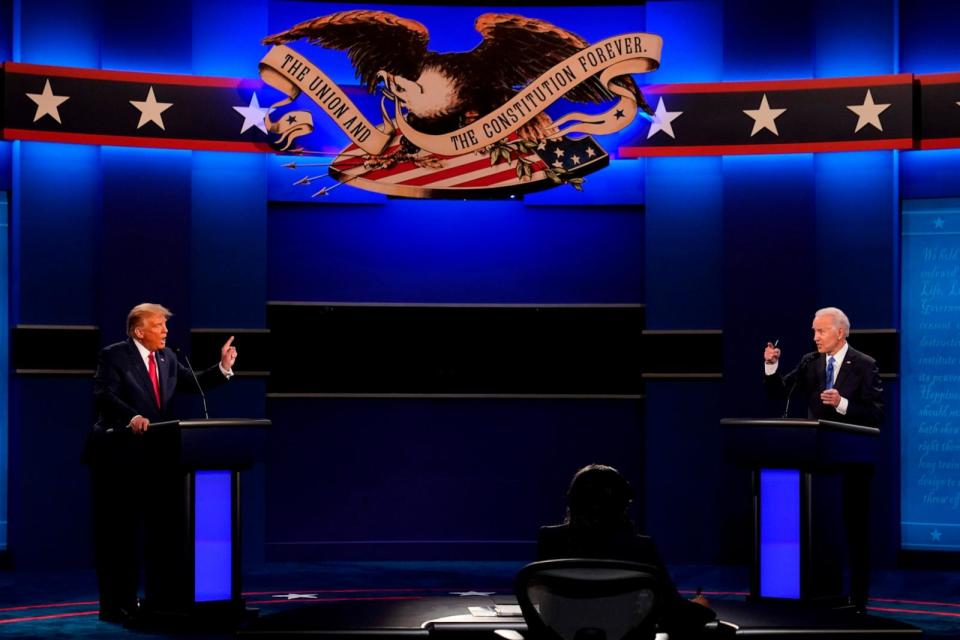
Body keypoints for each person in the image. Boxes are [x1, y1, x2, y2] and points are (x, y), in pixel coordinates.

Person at [83, 303, 238, 624]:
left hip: (156, 458)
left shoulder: (167, 359)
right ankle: (115, 606)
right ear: (139, 331)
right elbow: (104, 395)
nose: (166, 331)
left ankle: (157, 599)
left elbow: (193, 383)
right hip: (117, 457)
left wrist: (222, 368)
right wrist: (132, 416)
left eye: (165, 325)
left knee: (160, 534)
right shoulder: (114, 355)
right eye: (158, 325)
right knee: (119, 536)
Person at [762, 306, 882, 612]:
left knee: (855, 534)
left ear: (840, 332)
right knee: (816, 532)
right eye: (814, 330)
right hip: (816, 466)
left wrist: (842, 404)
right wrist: (772, 366)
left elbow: (875, 414)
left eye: (821, 331)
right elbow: (780, 393)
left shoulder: (865, 365)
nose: (814, 337)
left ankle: (858, 601)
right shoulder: (809, 363)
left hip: (852, 466)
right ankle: (813, 596)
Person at [538, 464, 715, 638]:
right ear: (623, 504)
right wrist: (701, 606)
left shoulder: (550, 539)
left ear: (572, 500)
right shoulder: (640, 547)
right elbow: (673, 615)